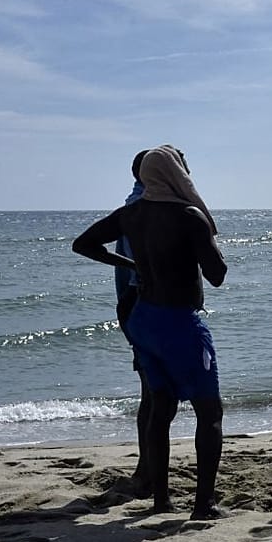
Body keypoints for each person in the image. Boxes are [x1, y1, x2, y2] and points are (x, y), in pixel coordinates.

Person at [73, 145, 228, 520]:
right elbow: (217, 275)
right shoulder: (189, 215)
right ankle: (203, 505)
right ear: (176, 174)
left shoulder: (131, 214)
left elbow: (84, 244)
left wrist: (134, 264)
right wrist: (205, 242)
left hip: (142, 320)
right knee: (209, 412)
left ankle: (161, 500)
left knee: (162, 408)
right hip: (179, 322)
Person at [114, 150, 154, 492]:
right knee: (155, 396)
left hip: (137, 309)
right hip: (147, 310)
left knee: (153, 395)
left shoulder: (135, 205)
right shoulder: (143, 208)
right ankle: (146, 472)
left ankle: (147, 468)